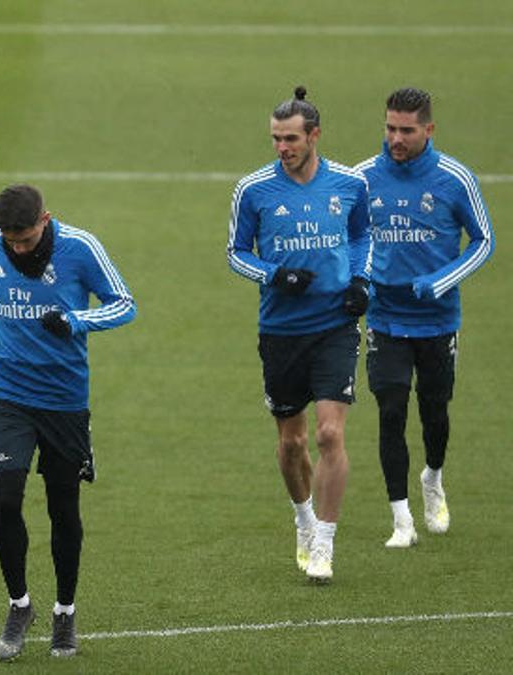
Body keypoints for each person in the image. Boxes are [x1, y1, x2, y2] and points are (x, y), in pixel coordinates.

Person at [0, 184, 136, 660]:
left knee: (63, 510)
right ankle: (19, 606)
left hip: (64, 401)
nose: (18, 248)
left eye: (27, 240)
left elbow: (124, 303)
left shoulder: (80, 248)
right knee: (5, 498)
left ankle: (65, 612)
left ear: (46, 220)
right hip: (8, 396)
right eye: (10, 241)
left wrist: (75, 320)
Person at [227, 86, 372, 583]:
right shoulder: (253, 190)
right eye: (275, 139)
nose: (282, 147)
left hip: (335, 325)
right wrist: (274, 274)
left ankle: (326, 545)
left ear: (314, 135)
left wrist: (360, 281)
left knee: (331, 433)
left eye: (290, 138)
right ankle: (304, 519)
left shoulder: (350, 184)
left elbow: (361, 235)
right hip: (281, 330)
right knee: (293, 444)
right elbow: (236, 252)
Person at [354, 88, 494, 547]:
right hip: (384, 318)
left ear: (428, 130)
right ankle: (401, 520)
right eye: (390, 128)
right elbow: (347, 242)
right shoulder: (362, 179)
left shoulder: (455, 178)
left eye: (407, 130)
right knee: (391, 410)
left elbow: (483, 242)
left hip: (437, 319)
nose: (396, 138)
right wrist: (359, 280)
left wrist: (443, 279)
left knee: (434, 412)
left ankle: (432, 477)